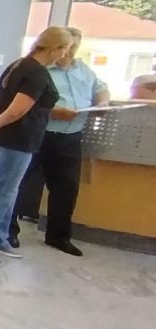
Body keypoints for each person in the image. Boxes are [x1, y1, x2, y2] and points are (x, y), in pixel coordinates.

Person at [0, 27, 71, 262]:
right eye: (64, 49)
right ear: (55, 48)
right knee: (0, 191)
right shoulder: (36, 73)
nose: (64, 54)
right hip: (15, 140)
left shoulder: (18, 65)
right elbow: (16, 111)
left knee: (9, 191)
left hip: (9, 140)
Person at [10, 27, 110, 256]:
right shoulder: (40, 68)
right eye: (66, 47)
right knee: (20, 183)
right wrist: (54, 112)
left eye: (74, 47)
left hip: (70, 137)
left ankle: (58, 237)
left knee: (67, 187)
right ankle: (9, 231)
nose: (69, 52)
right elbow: (25, 102)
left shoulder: (83, 70)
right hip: (40, 134)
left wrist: (102, 102)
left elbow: (101, 88)